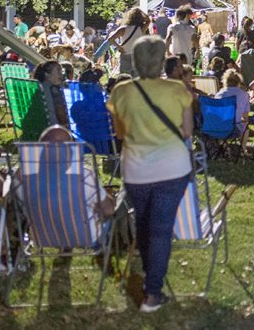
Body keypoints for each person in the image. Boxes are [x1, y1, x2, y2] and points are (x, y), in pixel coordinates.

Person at [107, 36, 194, 312]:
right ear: (161, 61)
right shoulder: (177, 90)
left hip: (136, 168)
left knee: (144, 225)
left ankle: (150, 274)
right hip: (172, 167)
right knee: (160, 229)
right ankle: (152, 292)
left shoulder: (121, 92)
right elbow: (187, 131)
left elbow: (119, 133)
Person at [212, 70, 252, 155]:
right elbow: (245, 117)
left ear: (225, 81)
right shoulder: (244, 95)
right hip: (233, 130)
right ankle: (243, 148)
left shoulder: (220, 94)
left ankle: (225, 148)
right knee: (246, 126)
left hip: (217, 129)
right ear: (239, 82)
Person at [101, 8, 150, 75]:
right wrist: (140, 12)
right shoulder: (141, 29)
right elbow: (148, 20)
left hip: (125, 54)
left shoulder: (123, 28)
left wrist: (119, 47)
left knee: (125, 77)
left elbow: (110, 39)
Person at [33, 59, 69, 128]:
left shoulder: (39, 87)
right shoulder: (54, 89)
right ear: (47, 74)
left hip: (42, 126)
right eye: (58, 71)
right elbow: (61, 115)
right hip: (56, 128)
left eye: (61, 71)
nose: (61, 74)